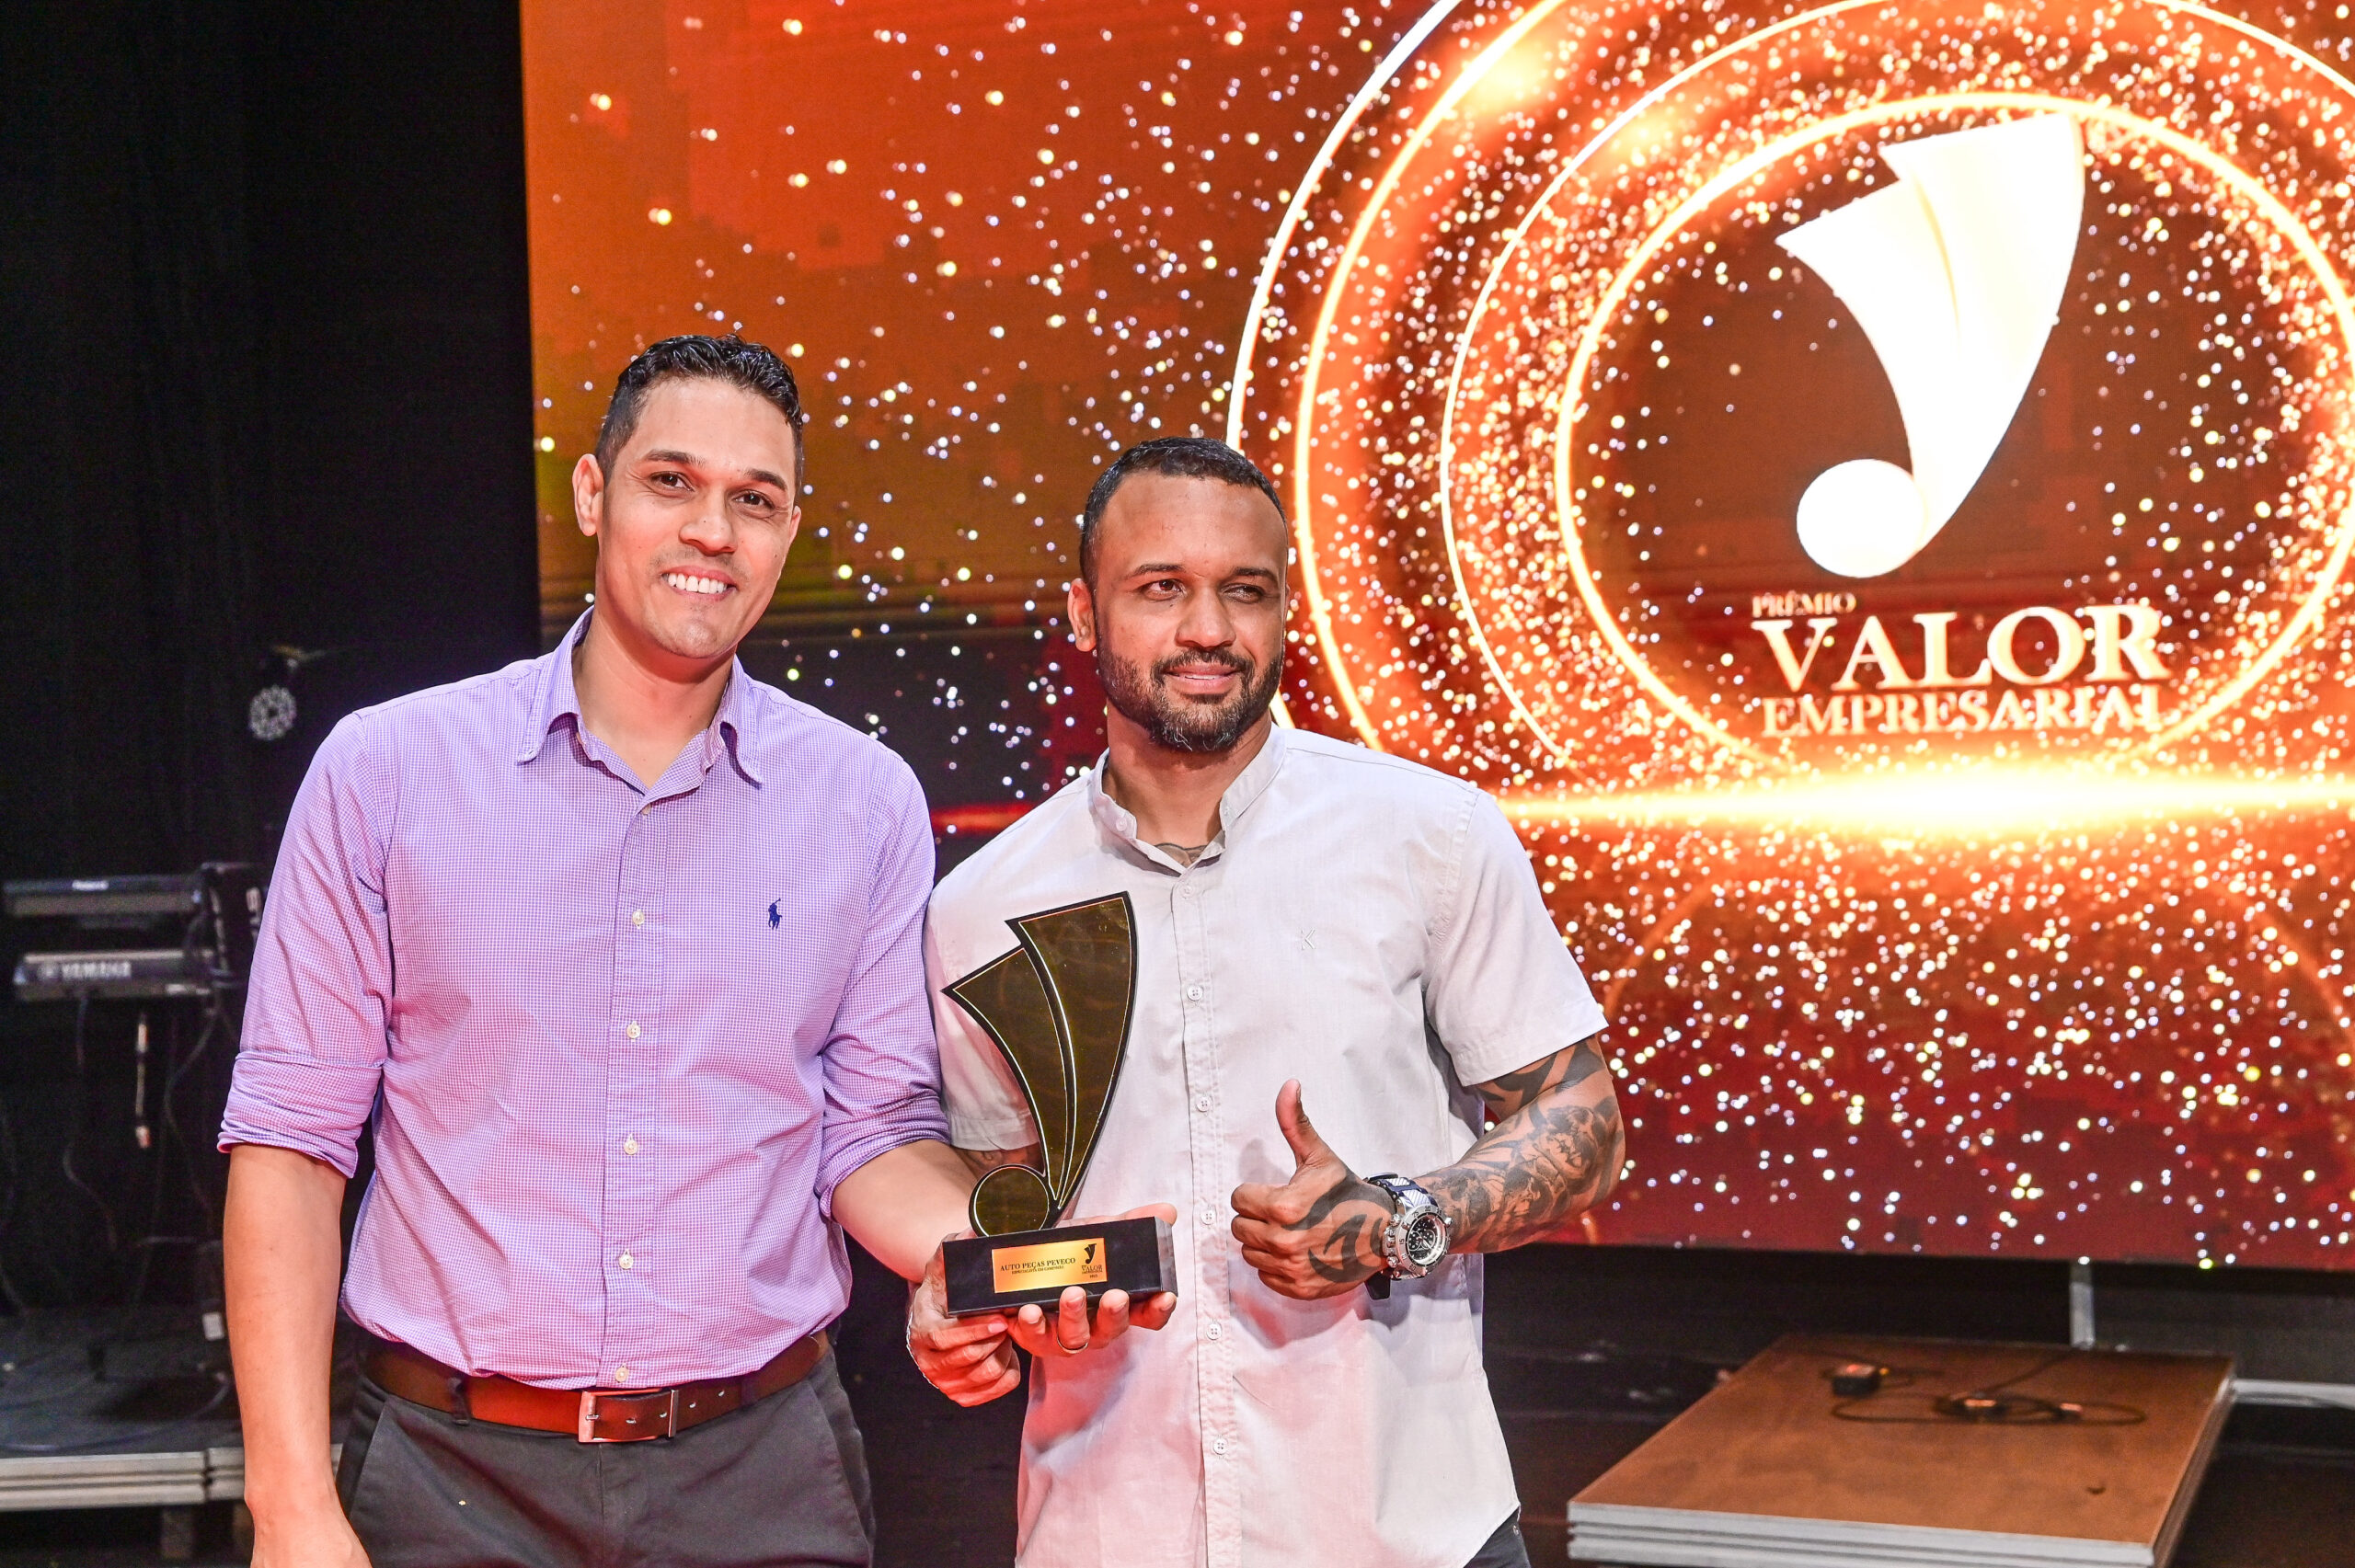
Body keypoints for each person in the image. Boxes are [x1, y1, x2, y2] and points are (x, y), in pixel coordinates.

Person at [219, 334, 1157, 1568]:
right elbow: (290, 1143)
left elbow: (870, 1132)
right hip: (451, 1474)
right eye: (672, 482)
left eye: (754, 500)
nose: (712, 530)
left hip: (760, 1471)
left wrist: (1015, 1266)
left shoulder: (861, 799)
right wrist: (291, 1507)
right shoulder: (387, 771)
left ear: (789, 530)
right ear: (593, 495)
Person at [913, 436, 1626, 1568]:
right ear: (1085, 614)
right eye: (1161, 588)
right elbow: (1000, 1205)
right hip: (1108, 1528)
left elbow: (1581, 1122)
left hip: (1402, 1530)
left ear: (1285, 608)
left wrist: (1399, 1215)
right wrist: (962, 1313)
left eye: (1244, 590)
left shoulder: (1430, 835)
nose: (1207, 628)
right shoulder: (984, 906)